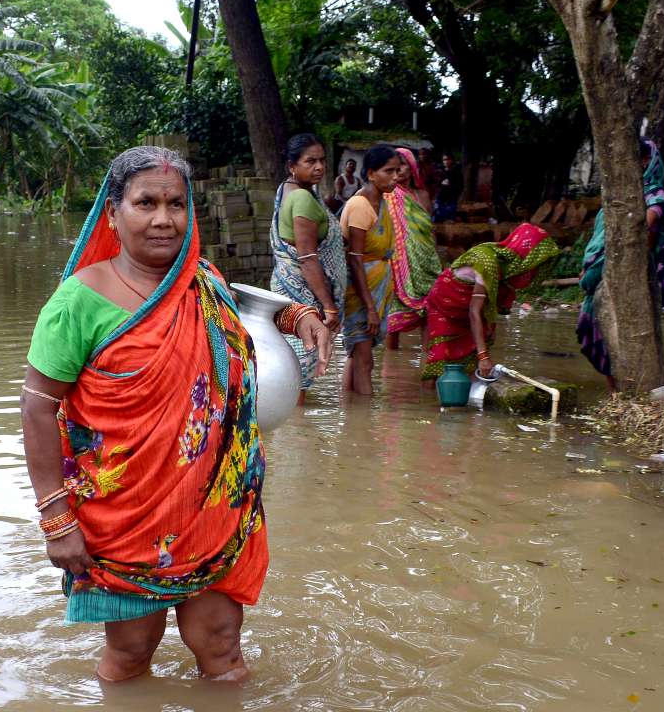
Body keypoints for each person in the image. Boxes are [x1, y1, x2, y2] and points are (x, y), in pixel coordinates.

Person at [20, 146, 331, 683]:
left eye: (176, 203)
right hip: (127, 516)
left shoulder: (204, 282)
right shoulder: (78, 302)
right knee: (132, 654)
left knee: (223, 649)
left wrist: (295, 314)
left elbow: (242, 315)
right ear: (113, 214)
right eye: (146, 203)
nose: (164, 219)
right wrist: (56, 518)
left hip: (212, 506)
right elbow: (37, 407)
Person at [576, 139, 664, 391]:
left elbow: (645, 224)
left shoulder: (654, 195)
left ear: (646, 162)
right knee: (597, 332)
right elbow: (601, 235)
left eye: (637, 160)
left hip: (633, 274)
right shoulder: (617, 197)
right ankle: (615, 392)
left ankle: (628, 391)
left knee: (624, 334)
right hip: (604, 270)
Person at [422, 223, 559, 380]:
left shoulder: (504, 264)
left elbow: (487, 306)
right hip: (445, 304)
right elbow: (475, 312)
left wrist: (484, 349)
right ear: (525, 252)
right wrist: (483, 356)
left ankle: (463, 395)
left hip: (470, 307)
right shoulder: (487, 261)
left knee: (471, 358)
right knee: (440, 359)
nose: (534, 268)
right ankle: (429, 399)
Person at [270, 133, 347, 401]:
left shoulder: (291, 191)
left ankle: (294, 429)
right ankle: (297, 432)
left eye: (322, 160)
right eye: (310, 161)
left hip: (288, 290)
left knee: (293, 364)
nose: (319, 167)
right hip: (302, 294)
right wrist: (329, 306)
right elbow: (307, 258)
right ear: (292, 165)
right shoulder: (301, 199)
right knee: (300, 365)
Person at [340, 144, 401, 395]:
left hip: (375, 287)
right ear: (372, 173)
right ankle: (366, 424)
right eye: (389, 171)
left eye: (397, 171)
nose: (396, 176)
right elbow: (355, 259)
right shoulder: (360, 206)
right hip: (360, 292)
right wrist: (370, 308)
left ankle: (350, 418)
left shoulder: (382, 203)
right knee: (365, 361)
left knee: (357, 355)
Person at [384, 147, 442, 350]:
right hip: (398, 264)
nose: (398, 170)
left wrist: (434, 256)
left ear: (412, 167)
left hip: (425, 259)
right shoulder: (386, 194)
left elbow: (429, 228)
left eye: (403, 165)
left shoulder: (422, 195)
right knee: (394, 317)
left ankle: (429, 361)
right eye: (393, 166)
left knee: (430, 308)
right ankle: (392, 369)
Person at [433, 152, 460, 223]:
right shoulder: (439, 171)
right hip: (440, 198)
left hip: (451, 199)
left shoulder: (457, 172)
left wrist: (454, 190)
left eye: (448, 159)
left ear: (452, 160)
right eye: (444, 160)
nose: (446, 161)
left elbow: (461, 186)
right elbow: (435, 183)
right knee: (437, 218)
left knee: (450, 220)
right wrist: (441, 183)